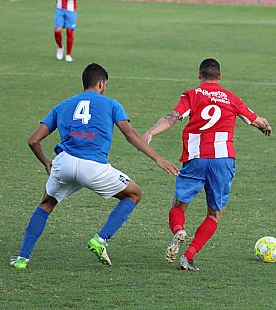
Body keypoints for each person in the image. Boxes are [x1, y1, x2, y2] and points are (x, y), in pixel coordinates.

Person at [10, 63, 178, 269]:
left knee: (46, 204)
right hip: (94, 168)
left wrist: (46, 162)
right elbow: (130, 134)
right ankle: (101, 240)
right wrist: (157, 158)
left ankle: (22, 258)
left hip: (64, 163)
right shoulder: (112, 104)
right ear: (101, 83)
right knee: (134, 194)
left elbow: (33, 140)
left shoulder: (63, 105)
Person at [143, 58, 272, 271]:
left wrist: (150, 132)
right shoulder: (231, 98)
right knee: (214, 214)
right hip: (223, 161)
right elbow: (258, 120)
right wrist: (265, 127)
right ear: (219, 77)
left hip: (196, 158)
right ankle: (189, 256)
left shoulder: (192, 95)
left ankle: (178, 230)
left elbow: (173, 117)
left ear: (199, 76)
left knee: (178, 206)